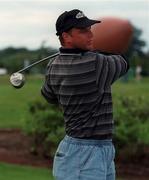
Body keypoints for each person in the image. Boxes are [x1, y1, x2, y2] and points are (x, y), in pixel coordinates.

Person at [41, 9, 129, 180]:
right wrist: (101, 47)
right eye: (83, 31)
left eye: (90, 29)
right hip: (84, 155)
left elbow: (49, 96)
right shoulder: (94, 63)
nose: (90, 34)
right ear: (66, 37)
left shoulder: (53, 65)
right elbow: (124, 61)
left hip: (89, 150)